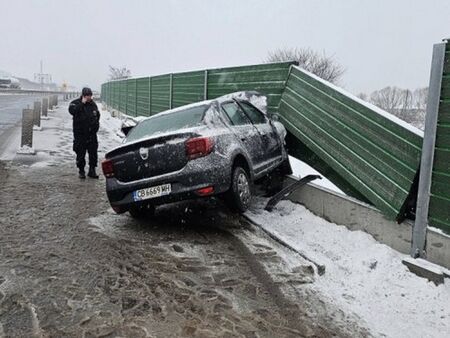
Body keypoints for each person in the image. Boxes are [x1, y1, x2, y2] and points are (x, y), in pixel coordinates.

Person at [68, 87, 100, 179]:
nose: (88, 98)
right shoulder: (75, 103)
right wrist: (82, 103)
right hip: (80, 134)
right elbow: (72, 111)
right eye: (87, 96)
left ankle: (92, 170)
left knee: (93, 153)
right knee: (80, 153)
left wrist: (96, 126)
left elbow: (97, 116)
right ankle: (81, 170)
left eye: (90, 96)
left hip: (91, 134)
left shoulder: (93, 104)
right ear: (83, 95)